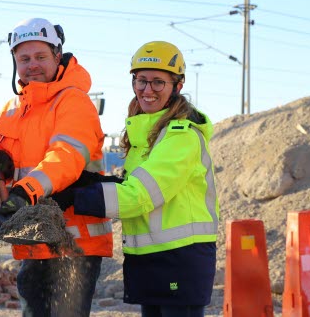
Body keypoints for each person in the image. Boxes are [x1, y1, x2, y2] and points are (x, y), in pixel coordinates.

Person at [62, 41, 220, 317]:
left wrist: (74, 198)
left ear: (177, 86)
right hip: (155, 259)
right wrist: (85, 183)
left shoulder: (181, 137)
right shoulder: (147, 133)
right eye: (141, 81)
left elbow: (140, 196)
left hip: (181, 260)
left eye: (158, 82)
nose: (147, 90)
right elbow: (132, 185)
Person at [0, 17, 113, 316]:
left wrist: (26, 190)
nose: (32, 65)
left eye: (41, 57)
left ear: (58, 55)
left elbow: (66, 156)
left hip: (73, 244)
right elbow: (4, 166)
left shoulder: (73, 101)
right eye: (24, 58)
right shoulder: (13, 108)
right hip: (34, 238)